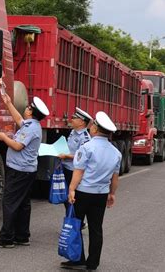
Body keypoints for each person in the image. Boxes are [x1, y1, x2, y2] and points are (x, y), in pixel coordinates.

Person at [60, 111, 121, 271]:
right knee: (96, 228)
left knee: (76, 225)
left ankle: (77, 259)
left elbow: (78, 171)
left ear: (95, 129)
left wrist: (71, 189)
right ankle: (93, 263)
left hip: (83, 193)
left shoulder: (86, 148)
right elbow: (115, 178)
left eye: (93, 125)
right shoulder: (116, 153)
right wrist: (112, 193)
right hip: (100, 194)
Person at [0, 94, 50, 248]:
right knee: (23, 203)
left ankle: (6, 238)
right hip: (27, 171)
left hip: (19, 171)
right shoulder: (32, 125)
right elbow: (18, 119)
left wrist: (3, 137)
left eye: (28, 107)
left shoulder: (30, 129)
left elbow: (17, 146)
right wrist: (8, 102)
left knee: (10, 203)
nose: (26, 108)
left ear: (30, 112)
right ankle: (22, 236)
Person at [58, 107, 92, 224]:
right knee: (66, 197)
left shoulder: (85, 138)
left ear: (82, 122)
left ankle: (75, 222)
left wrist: (66, 156)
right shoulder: (73, 132)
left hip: (75, 171)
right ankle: (74, 220)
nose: (71, 119)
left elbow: (82, 156)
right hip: (66, 168)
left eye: (74, 118)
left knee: (73, 197)